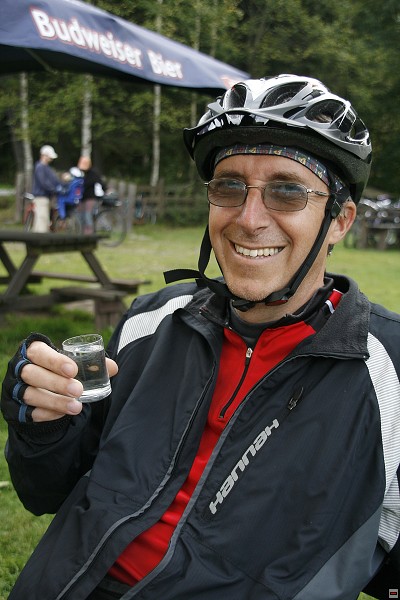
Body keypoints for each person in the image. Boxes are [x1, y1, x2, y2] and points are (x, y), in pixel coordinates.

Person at [1, 74, 399, 600]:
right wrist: (43, 427)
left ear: (339, 220)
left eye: (286, 191)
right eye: (229, 187)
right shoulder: (151, 321)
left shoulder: (386, 372)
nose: (249, 220)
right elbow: (48, 491)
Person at [32, 144, 62, 232]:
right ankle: (40, 238)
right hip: (41, 198)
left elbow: (55, 181)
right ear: (44, 155)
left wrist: (61, 185)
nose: (51, 159)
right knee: (42, 220)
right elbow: (43, 183)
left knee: (43, 220)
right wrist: (54, 189)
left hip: (46, 198)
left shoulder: (47, 168)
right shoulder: (40, 167)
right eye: (50, 157)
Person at [76, 155, 106, 234]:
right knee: (80, 216)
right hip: (82, 198)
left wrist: (105, 191)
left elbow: (101, 183)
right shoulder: (81, 174)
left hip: (91, 198)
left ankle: (89, 234)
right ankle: (82, 233)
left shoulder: (93, 173)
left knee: (87, 216)